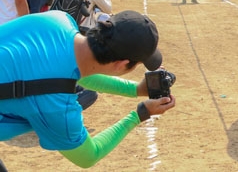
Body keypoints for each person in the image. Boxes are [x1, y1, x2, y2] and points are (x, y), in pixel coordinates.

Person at [0, 10, 175, 168]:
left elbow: (72, 71)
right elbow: (89, 155)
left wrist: (135, 89)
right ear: (121, 65)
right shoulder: (57, 107)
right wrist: (139, 114)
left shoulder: (58, 19)